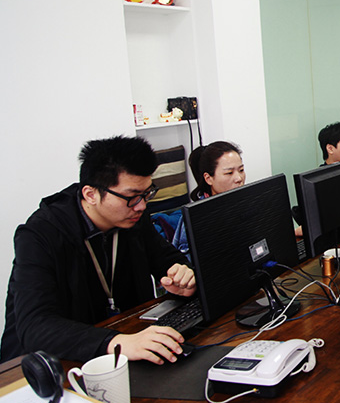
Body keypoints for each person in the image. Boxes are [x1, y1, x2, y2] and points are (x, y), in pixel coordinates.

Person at [1, 136, 196, 365]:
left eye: (146, 194)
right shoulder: (40, 235)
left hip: (117, 347)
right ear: (90, 195)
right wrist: (116, 343)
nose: (142, 206)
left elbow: (168, 260)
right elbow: (34, 326)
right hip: (40, 366)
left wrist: (185, 277)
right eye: (132, 197)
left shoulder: (133, 217)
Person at [167, 141, 247, 254]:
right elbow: (189, 260)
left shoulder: (247, 202)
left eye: (241, 170)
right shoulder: (196, 217)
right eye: (229, 173)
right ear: (208, 178)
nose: (239, 178)